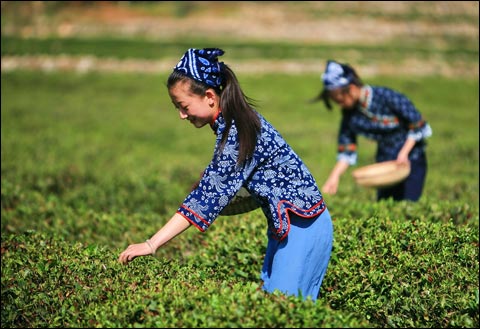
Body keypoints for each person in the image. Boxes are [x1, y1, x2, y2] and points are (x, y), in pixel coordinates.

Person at [118, 48, 333, 302]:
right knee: (273, 307)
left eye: (184, 106)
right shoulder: (232, 123)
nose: (181, 115)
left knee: (285, 310)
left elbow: (205, 197)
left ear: (209, 96)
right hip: (285, 227)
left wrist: (151, 244)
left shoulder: (239, 132)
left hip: (303, 226)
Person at [314, 60, 432, 201]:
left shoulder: (386, 96)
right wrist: (334, 177)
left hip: (411, 158)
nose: (340, 105)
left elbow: (417, 123)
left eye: (340, 100)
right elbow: (347, 149)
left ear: (351, 89)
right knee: (385, 205)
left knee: (409, 204)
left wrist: (404, 153)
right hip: (384, 163)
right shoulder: (349, 116)